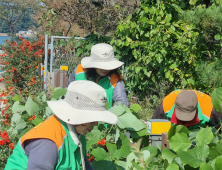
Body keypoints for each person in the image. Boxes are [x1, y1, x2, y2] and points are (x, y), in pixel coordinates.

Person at [5, 80, 118, 170]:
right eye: (92, 119)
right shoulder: (48, 143)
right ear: (78, 116)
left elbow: (84, 165)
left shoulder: (78, 132)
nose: (96, 124)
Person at [67, 43, 129, 108]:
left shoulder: (116, 80)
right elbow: (67, 93)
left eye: (107, 65)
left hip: (105, 117)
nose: (105, 69)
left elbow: (122, 103)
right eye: (101, 65)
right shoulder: (79, 71)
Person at [152, 89, 222, 130]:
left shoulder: (210, 109)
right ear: (174, 104)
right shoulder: (167, 104)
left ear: (196, 107)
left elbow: (219, 132)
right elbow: (154, 130)